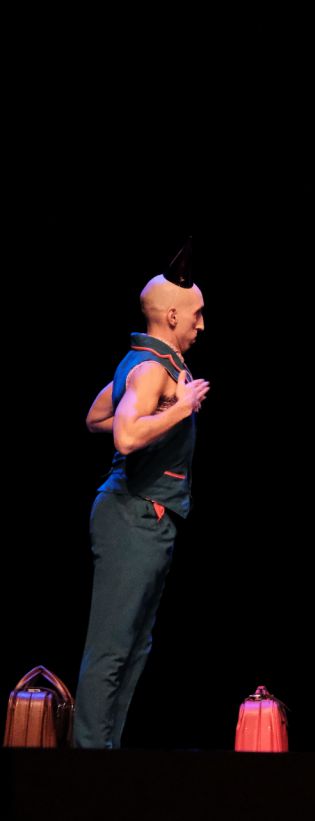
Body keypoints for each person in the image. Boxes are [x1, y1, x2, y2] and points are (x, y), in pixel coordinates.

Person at [74, 241, 211, 748]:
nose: (201, 325)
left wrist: (162, 407)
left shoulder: (150, 364)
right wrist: (180, 408)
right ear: (172, 315)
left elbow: (96, 416)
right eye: (196, 315)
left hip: (150, 518)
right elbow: (125, 436)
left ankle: (106, 752)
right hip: (131, 514)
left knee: (135, 648)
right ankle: (88, 758)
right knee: (112, 648)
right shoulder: (152, 368)